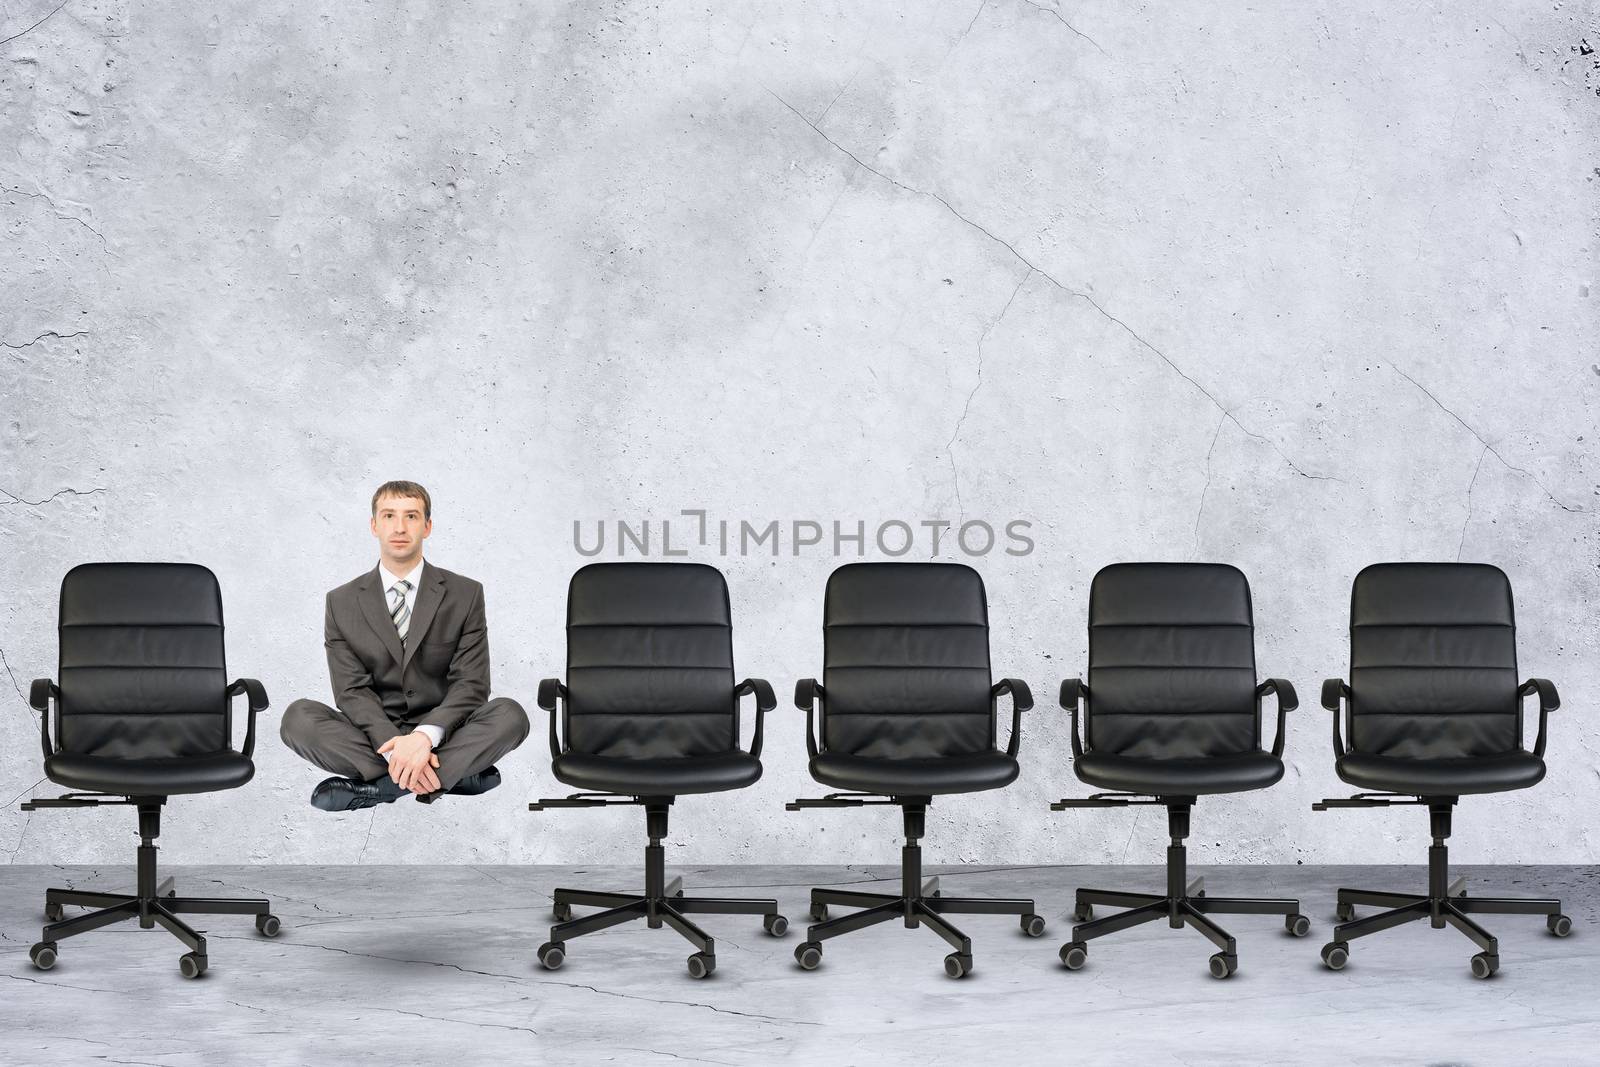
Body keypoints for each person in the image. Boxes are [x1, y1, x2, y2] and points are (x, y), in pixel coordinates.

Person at [280, 480, 529, 811]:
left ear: (427, 527)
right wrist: (397, 748)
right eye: (388, 516)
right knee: (298, 719)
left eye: (411, 516)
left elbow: (472, 684)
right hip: (374, 737)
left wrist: (425, 737)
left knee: (511, 715)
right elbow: (351, 691)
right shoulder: (340, 601)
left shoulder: (465, 593)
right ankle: (448, 774)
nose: (399, 527)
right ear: (374, 525)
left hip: (445, 730)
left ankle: (381, 788)